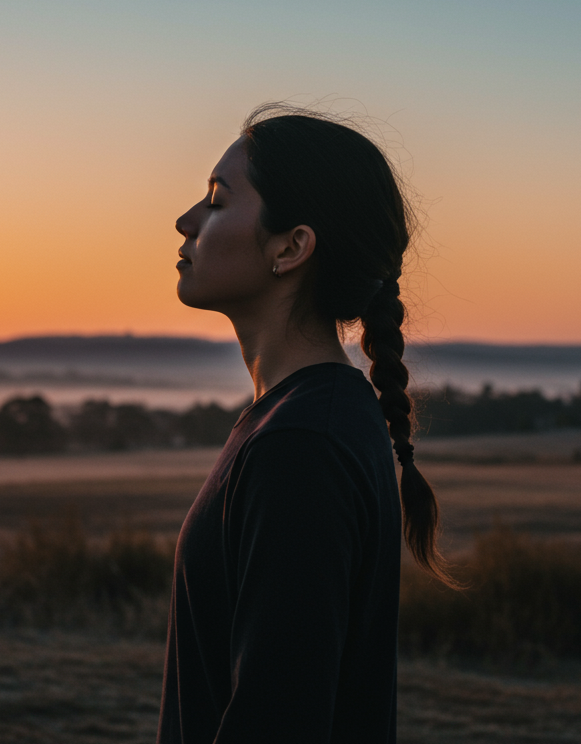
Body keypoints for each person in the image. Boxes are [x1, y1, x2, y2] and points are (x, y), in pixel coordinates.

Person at [157, 105, 456, 744]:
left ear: (291, 247)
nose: (185, 221)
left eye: (216, 200)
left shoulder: (301, 447)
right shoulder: (312, 419)